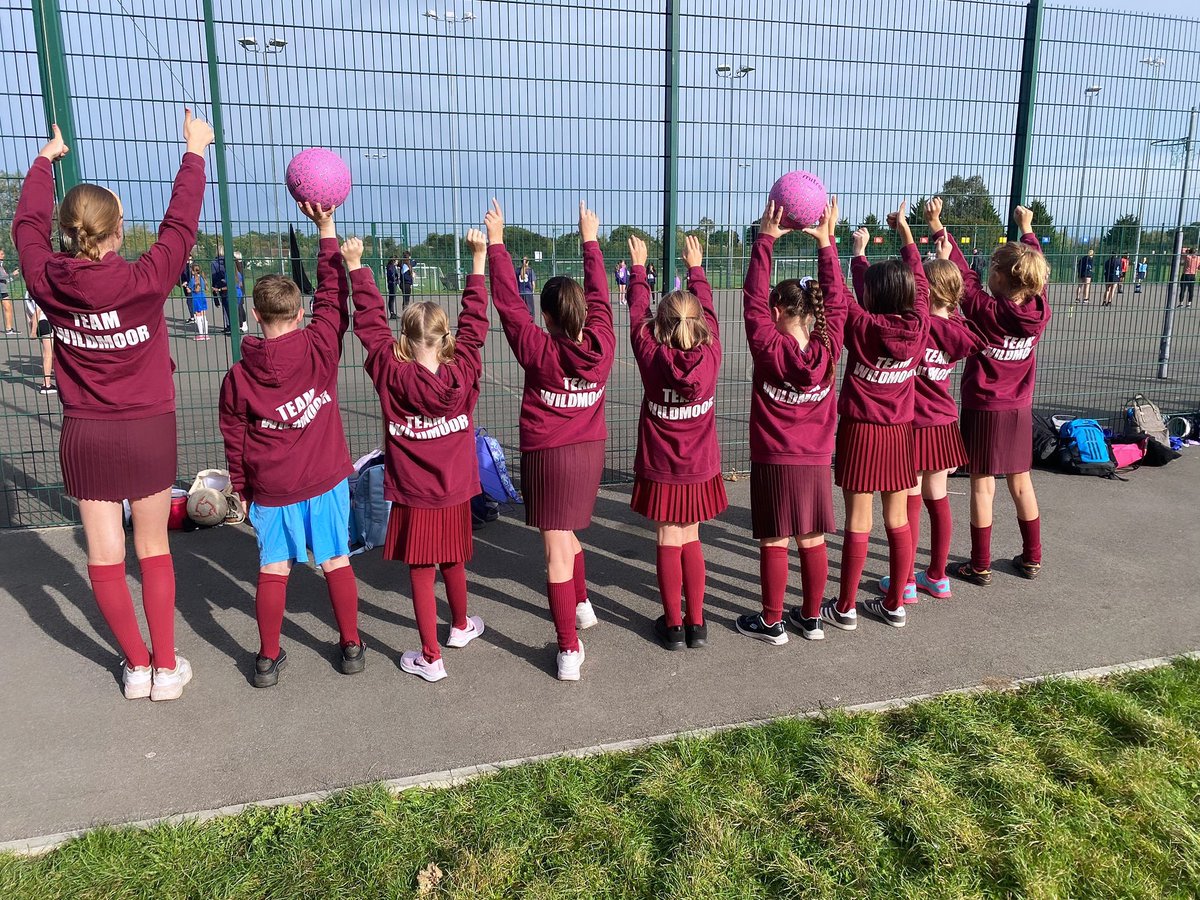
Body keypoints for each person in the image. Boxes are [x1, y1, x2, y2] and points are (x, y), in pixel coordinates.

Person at [13, 111, 213, 700]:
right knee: (152, 548)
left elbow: (26, 225)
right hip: (148, 426)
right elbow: (181, 224)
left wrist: (45, 162)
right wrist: (194, 153)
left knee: (104, 553)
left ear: (70, 233)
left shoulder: (46, 277)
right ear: (116, 232)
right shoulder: (146, 278)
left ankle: (136, 665)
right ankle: (166, 666)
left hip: (87, 432)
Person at [218, 202, 365, 688]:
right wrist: (327, 231)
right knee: (335, 559)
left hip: (273, 487)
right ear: (300, 313)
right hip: (324, 479)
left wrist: (242, 486)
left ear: (254, 314)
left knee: (274, 566)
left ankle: (267, 658)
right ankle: (350, 646)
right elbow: (333, 300)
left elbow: (233, 435)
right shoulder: (320, 343)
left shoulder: (238, 377)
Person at [350, 230, 490, 683]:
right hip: (454, 490)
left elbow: (371, 329)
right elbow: (475, 324)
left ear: (406, 342)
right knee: (452, 557)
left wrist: (357, 269)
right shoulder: (464, 368)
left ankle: (432, 656)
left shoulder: (392, 373)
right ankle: (461, 626)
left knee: (421, 568)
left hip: (414, 492)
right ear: (444, 338)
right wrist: (478, 261)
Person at [487, 199, 614, 681]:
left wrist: (497, 244)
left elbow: (507, 305)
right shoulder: (602, 342)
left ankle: (567, 651)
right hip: (587, 453)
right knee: (567, 534)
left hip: (547, 453)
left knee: (554, 548)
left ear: (546, 315)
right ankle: (581, 606)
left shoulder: (538, 348)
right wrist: (590, 240)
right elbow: (601, 297)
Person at [734, 198, 847, 645]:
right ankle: (813, 619)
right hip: (817, 458)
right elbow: (835, 302)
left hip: (774, 458)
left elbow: (750, 300)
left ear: (776, 311)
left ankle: (773, 621)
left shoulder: (768, 348)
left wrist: (765, 239)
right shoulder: (829, 347)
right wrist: (826, 242)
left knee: (775, 540)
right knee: (813, 537)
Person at [930, 203, 1051, 585]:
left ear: (999, 276)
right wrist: (1027, 230)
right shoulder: (1039, 308)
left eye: (992, 273)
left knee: (983, 484)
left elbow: (962, 277)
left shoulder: (985, 309)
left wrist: (938, 228)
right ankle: (1032, 557)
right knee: (1021, 482)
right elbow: (1036, 270)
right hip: (1019, 408)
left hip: (984, 407)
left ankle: (979, 564)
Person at [877, 205, 986, 605]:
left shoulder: (919, 329)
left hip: (911, 425)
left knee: (908, 503)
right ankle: (938, 576)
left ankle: (904, 582)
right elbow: (950, 302)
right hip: (944, 423)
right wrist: (944, 259)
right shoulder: (960, 332)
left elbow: (921, 295)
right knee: (937, 498)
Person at [830, 200, 929, 632]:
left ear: (868, 296)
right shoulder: (920, 323)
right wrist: (907, 233)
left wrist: (830, 242)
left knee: (858, 520)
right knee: (898, 518)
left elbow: (836, 293)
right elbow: (921, 283)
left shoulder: (861, 326)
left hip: (859, 431)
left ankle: (846, 607)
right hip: (900, 433)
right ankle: (894, 604)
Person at [627, 233, 726, 651]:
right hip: (699, 464)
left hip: (662, 464)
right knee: (691, 537)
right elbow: (711, 315)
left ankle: (672, 626)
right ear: (701, 322)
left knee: (669, 537)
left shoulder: (649, 352)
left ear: (659, 326)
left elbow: (636, 316)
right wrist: (696, 268)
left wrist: (639, 270)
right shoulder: (713, 351)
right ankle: (697, 624)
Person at [25, 293, 57, 394]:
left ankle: (52, 372)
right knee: (48, 354)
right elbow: (37, 312)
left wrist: (32, 327)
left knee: (52, 351)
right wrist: (33, 332)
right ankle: (46, 385)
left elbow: (28, 314)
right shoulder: (38, 293)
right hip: (44, 322)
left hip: (37, 324)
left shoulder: (27, 294)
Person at [188, 263, 210, 340]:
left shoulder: (192, 280)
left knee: (198, 315)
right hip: (202, 297)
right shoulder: (202, 278)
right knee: (203, 315)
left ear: (193, 271)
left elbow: (189, 290)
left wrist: (186, 287)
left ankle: (201, 334)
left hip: (196, 298)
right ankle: (206, 334)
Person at [211, 249, 229, 332]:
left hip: (220, 285)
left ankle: (228, 324)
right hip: (229, 283)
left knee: (225, 306)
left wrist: (214, 291)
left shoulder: (214, 263)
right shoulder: (228, 261)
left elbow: (214, 277)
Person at [0, 248, 17, 334]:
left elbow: (4, 279)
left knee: (8, 307)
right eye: (2, 254)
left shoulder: (1, 265)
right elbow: (1, 277)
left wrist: (12, 277)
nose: (3, 255)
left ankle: (9, 328)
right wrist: (12, 274)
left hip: (3, 290)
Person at [233, 251, 248, 332]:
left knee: (239, 307)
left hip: (239, 289)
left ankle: (242, 324)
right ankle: (242, 324)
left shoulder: (239, 267)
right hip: (239, 289)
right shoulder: (239, 266)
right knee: (239, 307)